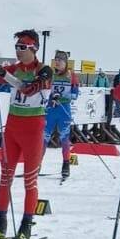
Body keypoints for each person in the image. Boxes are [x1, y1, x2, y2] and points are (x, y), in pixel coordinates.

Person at [0, 30, 53, 239]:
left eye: (22, 47)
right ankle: (0, 224)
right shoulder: (14, 68)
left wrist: (2, 74)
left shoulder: (44, 70)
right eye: (16, 47)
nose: (18, 51)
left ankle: (26, 226)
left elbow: (28, 89)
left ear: (34, 48)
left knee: (29, 181)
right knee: (5, 178)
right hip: (12, 128)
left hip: (33, 130)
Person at [43, 50, 79, 180]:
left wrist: (62, 96)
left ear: (65, 62)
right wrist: (52, 96)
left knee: (64, 138)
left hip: (64, 110)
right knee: (44, 137)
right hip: (51, 109)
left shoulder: (72, 75)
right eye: (56, 60)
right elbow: (45, 90)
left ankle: (66, 164)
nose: (57, 62)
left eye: (60, 60)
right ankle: (36, 164)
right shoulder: (50, 75)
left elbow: (75, 95)